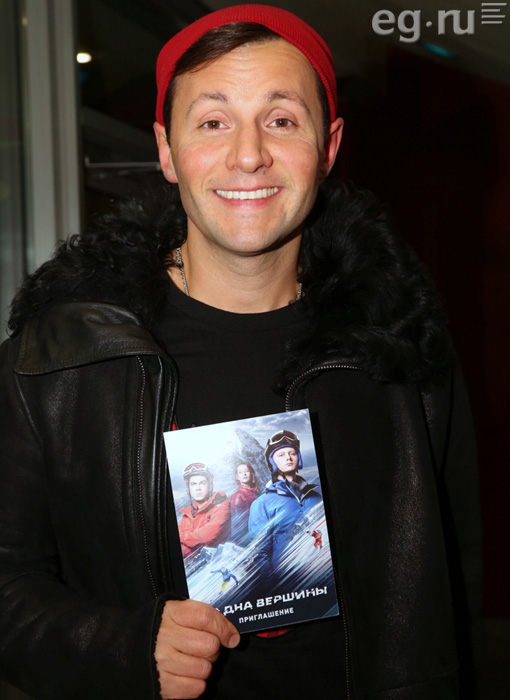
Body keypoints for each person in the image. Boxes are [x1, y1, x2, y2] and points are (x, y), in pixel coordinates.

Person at [0, 4, 482, 700]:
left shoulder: (402, 354)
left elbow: (451, 591)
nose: (248, 154)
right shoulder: (58, 361)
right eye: (213, 122)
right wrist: (122, 649)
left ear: (329, 146)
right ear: (167, 150)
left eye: (281, 120)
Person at [249, 430, 321, 581]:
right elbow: (259, 554)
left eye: (292, 453)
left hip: (321, 575)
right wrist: (274, 587)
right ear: (272, 462)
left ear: (298, 457)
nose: (288, 457)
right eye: (281, 455)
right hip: (289, 580)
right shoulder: (262, 504)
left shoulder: (315, 497)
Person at [178, 463, 231, 559]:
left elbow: (207, 537)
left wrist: (182, 537)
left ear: (209, 485)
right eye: (193, 484)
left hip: (216, 563)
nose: (198, 488)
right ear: (188, 488)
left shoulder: (221, 507)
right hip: (193, 564)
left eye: (202, 483)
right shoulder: (187, 514)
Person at [229, 461, 259, 542]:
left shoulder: (256, 493)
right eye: (240, 472)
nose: (244, 474)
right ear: (237, 477)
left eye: (247, 471)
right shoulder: (237, 496)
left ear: (251, 474)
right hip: (248, 537)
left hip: (258, 531)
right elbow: (239, 524)